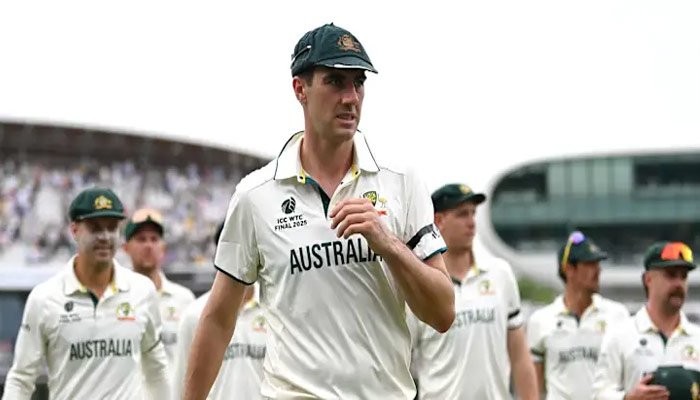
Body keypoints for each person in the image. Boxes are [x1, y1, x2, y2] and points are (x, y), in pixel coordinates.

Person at [183, 23, 455, 400]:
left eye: (358, 83)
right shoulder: (255, 195)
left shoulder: (401, 182)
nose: (351, 97)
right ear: (300, 89)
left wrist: (388, 243)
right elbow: (218, 318)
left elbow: (443, 313)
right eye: (335, 82)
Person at [2, 188, 170, 400]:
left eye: (112, 228)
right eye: (95, 228)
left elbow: (156, 369)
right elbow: (21, 378)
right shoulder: (44, 298)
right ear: (74, 230)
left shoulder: (142, 290)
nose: (105, 237)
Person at [409, 183, 537, 399]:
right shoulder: (421, 285)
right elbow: (402, 360)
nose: (471, 223)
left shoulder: (500, 273)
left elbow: (520, 357)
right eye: (462, 215)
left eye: (473, 214)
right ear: (439, 221)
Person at [527, 231, 630, 400]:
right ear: (569, 269)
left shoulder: (617, 315)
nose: (598, 270)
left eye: (597, 264)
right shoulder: (541, 320)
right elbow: (533, 388)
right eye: (589, 264)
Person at [592, 241, 700, 400]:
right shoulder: (621, 335)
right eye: (671, 275)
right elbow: (598, 394)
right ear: (648, 279)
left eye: (683, 277)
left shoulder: (697, 338)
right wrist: (628, 398)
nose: (679, 284)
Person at [173, 223, 267, 399]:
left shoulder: (272, 310)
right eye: (231, 250)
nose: (240, 257)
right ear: (219, 257)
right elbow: (181, 384)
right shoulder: (194, 315)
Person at [122, 207, 195, 363]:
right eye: (141, 239)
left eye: (154, 239)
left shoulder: (184, 300)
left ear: (163, 248)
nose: (148, 245)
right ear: (126, 248)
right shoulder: (118, 298)